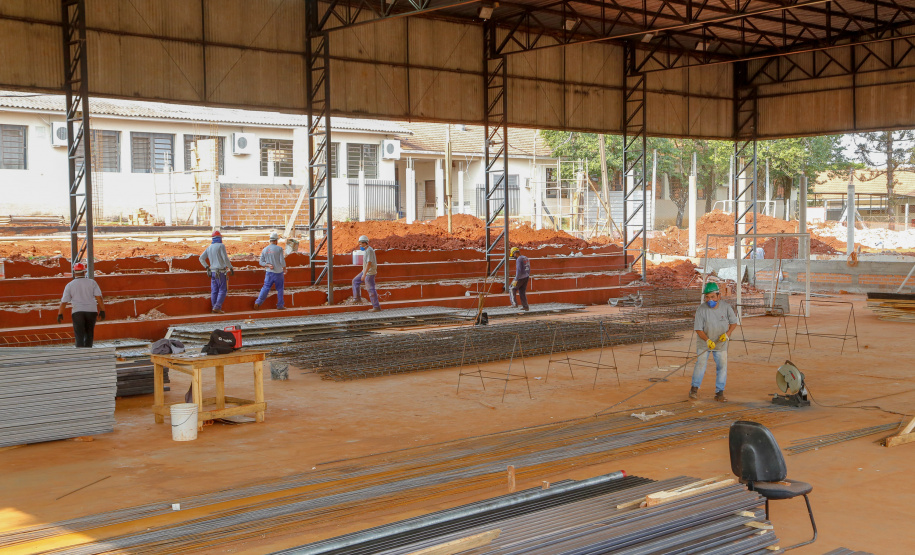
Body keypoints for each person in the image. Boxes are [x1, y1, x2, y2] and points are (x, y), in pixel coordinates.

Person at [689, 281, 738, 402]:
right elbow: (698, 329)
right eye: (707, 297)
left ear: (718, 296)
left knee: (722, 366)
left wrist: (727, 334)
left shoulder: (726, 307)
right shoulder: (701, 309)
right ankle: (694, 389)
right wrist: (707, 340)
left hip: (721, 343)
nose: (709, 299)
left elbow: (733, 323)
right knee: (700, 365)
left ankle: (719, 392)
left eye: (712, 297)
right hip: (704, 343)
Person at [57, 262, 106, 347]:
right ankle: (88, 354)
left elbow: (64, 301)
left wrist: (60, 314)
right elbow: (99, 298)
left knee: (79, 335)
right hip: (91, 311)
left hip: (77, 312)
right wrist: (102, 310)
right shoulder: (92, 282)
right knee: (89, 334)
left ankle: (81, 355)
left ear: (74, 272)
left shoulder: (70, 285)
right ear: (84, 271)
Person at [199, 230, 234, 314]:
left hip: (213, 272)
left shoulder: (209, 247)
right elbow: (225, 258)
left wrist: (207, 267)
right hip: (220, 272)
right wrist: (230, 267)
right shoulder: (221, 246)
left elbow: (201, 258)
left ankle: (214, 307)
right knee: (222, 290)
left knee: (214, 290)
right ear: (220, 238)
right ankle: (217, 307)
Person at [255, 231, 286, 310]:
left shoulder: (265, 250)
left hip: (269, 272)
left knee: (265, 287)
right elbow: (282, 261)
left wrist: (268, 265)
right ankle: (280, 305)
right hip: (278, 273)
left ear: (270, 240)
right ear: (276, 240)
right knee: (280, 289)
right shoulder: (279, 249)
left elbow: (261, 262)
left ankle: (258, 302)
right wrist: (285, 268)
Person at [352, 235, 380, 312]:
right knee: (355, 281)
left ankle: (376, 307)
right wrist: (363, 270)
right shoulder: (366, 250)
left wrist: (364, 274)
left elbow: (369, 263)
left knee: (370, 289)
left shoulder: (369, 251)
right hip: (366, 271)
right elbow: (366, 263)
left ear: (365, 243)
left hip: (369, 273)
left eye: (360, 244)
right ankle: (357, 298)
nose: (360, 245)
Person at [509, 246, 531, 312]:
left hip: (520, 277)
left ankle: (514, 304)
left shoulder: (519, 259)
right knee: (522, 292)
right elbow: (529, 268)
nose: (514, 257)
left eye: (513, 255)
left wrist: (516, 279)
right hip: (526, 277)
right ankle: (525, 306)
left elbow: (518, 270)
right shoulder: (525, 258)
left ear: (515, 253)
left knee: (511, 288)